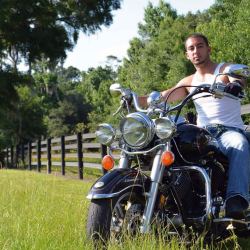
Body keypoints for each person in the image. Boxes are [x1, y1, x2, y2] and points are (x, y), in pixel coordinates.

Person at [141, 33, 250, 219]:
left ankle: (236, 199)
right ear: (187, 55)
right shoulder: (188, 82)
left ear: (209, 49)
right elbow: (163, 97)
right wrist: (135, 99)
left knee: (239, 144)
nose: (196, 51)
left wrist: (235, 85)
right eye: (191, 48)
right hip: (203, 134)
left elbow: (237, 78)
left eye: (200, 46)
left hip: (228, 131)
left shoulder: (222, 70)